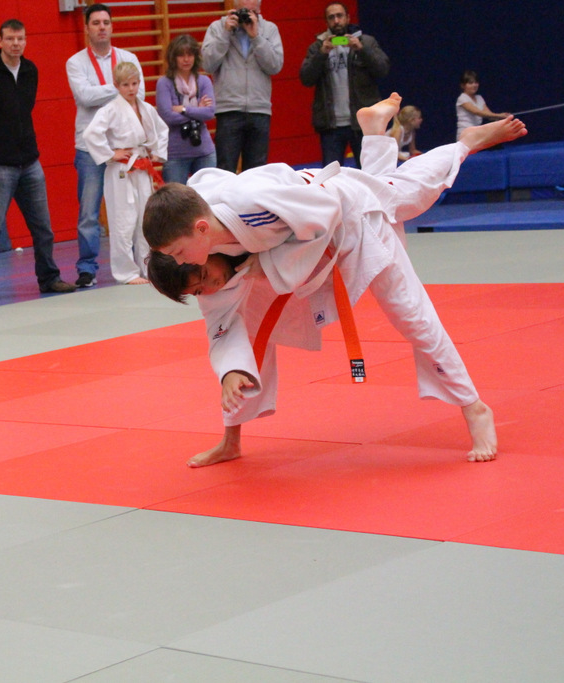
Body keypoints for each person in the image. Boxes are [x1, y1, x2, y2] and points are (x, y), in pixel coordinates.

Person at [143, 94, 528, 467]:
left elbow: (327, 209)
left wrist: (269, 267)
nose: (180, 261)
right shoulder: (201, 256)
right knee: (252, 326)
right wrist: (231, 371)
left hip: (351, 218)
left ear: (201, 229)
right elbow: (222, 327)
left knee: (408, 293)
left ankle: (474, 407)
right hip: (310, 245)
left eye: (178, 252)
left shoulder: (253, 204)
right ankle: (232, 439)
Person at [0, 20, 77, 295]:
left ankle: (49, 278)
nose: (16, 43)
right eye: (10, 38)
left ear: (25, 41)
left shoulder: (31, 70)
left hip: (29, 161)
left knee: (43, 228)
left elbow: (24, 110)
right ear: (0, 41)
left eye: (20, 38)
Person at [66, 3, 144, 288]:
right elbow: (85, 97)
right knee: (89, 212)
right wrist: (121, 87)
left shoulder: (128, 57)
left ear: (112, 26)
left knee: (132, 207)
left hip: (124, 148)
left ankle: (136, 264)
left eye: (106, 22)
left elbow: (139, 94)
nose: (102, 27)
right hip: (91, 148)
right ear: (87, 28)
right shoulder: (76, 62)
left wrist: (122, 89)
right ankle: (87, 268)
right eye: (96, 23)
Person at [83, 62, 168, 285]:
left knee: (145, 221)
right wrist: (110, 153)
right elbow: (91, 134)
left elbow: (162, 130)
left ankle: (148, 268)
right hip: (121, 171)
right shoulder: (110, 109)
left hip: (142, 169)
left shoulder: (146, 108)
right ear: (116, 85)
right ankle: (126, 273)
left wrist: (156, 152)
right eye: (125, 85)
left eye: (134, 83)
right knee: (123, 221)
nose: (131, 89)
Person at [299, 2, 389, 167]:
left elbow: (382, 69)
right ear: (326, 22)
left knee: (369, 171)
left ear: (347, 18)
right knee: (331, 175)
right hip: (331, 124)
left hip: (362, 122)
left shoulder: (366, 42)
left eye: (339, 16)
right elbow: (306, 79)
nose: (336, 21)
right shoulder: (317, 47)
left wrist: (361, 49)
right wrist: (321, 54)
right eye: (331, 17)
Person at [200, 0, 284, 173]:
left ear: (259, 10)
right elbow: (207, 64)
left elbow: (275, 66)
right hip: (228, 109)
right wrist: (225, 34)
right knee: (225, 170)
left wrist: (256, 37)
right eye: (244, 12)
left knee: (256, 172)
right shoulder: (218, 28)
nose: (247, 16)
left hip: (259, 109)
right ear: (234, 9)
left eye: (252, 12)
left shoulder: (269, 29)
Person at [155, 34, 216, 185]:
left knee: (207, 195)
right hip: (176, 154)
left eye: (190, 55)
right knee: (176, 198)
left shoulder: (204, 81)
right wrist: (198, 110)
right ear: (173, 58)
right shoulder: (164, 83)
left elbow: (209, 112)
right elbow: (167, 116)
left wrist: (183, 109)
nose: (186, 59)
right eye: (181, 55)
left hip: (204, 151)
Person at [456, 70, 510, 141]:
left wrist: (504, 117)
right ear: (463, 85)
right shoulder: (462, 98)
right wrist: (499, 115)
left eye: (476, 82)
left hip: (477, 133)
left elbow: (489, 115)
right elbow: (477, 112)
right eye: (470, 83)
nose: (474, 85)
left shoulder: (479, 98)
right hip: (465, 134)